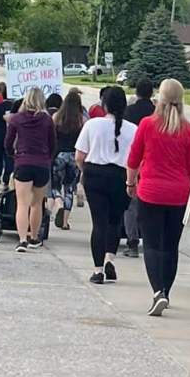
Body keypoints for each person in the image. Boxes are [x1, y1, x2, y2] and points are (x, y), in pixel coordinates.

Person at [126, 77, 190, 315]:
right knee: (170, 246)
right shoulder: (189, 130)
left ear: (161, 97)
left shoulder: (148, 125)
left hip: (150, 192)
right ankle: (166, 290)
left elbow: (134, 158)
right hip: (178, 194)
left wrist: (129, 182)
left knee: (152, 245)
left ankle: (157, 290)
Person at [76, 85, 136, 284]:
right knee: (114, 221)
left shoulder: (92, 125)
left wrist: (84, 171)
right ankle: (110, 258)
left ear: (104, 105)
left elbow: (80, 155)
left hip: (95, 174)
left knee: (98, 223)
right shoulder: (132, 129)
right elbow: (136, 160)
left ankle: (97, 269)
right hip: (120, 175)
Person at [4, 87, 55, 253]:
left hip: (23, 162)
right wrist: (48, 157)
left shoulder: (17, 119)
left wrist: (13, 154)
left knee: (22, 203)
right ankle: (34, 237)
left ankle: (22, 240)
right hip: (41, 163)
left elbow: (8, 141)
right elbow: (53, 143)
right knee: (37, 204)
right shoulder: (47, 120)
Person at [121, 78, 156, 257]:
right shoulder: (157, 113)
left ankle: (132, 241)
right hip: (154, 164)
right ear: (152, 93)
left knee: (131, 204)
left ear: (137, 92)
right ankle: (151, 241)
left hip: (134, 161)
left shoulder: (129, 111)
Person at [51, 89, 86, 230]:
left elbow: (52, 138)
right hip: (73, 156)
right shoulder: (82, 120)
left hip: (59, 155)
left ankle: (58, 202)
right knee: (69, 188)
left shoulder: (56, 117)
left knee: (55, 186)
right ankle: (65, 222)